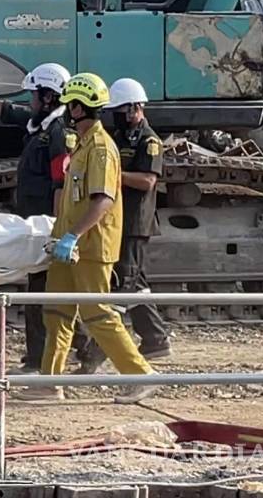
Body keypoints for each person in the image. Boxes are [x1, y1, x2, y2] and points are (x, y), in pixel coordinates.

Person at [18, 72, 157, 404]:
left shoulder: (100, 148)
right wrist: (60, 235)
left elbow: (103, 199)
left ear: (79, 108)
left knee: (97, 313)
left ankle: (141, 375)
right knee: (57, 312)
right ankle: (50, 383)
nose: (66, 109)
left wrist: (72, 236)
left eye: (69, 104)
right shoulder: (81, 145)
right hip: (69, 245)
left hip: (90, 246)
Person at [0, 63, 97, 374]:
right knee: (43, 290)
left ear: (48, 97)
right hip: (32, 223)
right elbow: (10, 112)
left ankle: (56, 356)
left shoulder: (59, 134)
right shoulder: (41, 124)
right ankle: (78, 350)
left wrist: (57, 230)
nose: (29, 100)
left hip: (45, 226)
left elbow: (61, 184)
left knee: (42, 293)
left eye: (34, 94)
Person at [102, 78, 171, 358]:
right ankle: (155, 339)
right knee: (136, 283)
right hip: (119, 218)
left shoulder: (149, 141)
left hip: (135, 222)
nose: (116, 116)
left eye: (120, 110)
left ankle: (98, 351)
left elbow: (147, 181)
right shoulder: (120, 136)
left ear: (134, 108)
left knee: (124, 281)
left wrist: (112, 176)